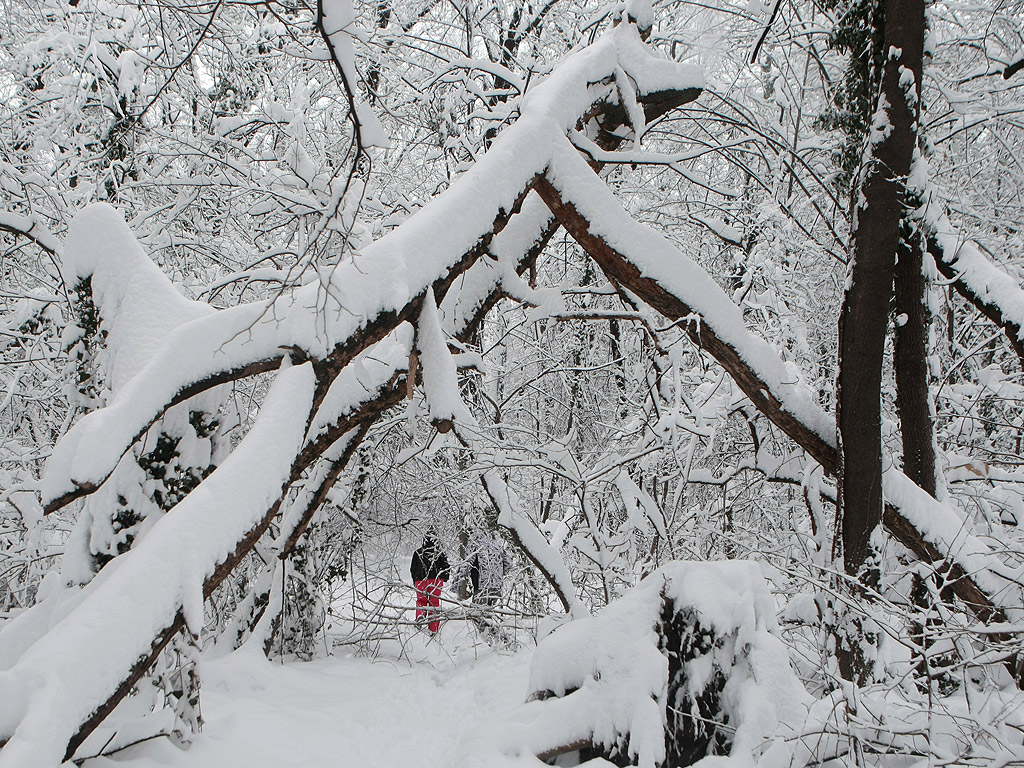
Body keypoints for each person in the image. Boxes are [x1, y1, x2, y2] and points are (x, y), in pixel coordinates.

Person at [410, 535, 450, 633]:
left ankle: (420, 615)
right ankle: (433, 629)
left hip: (420, 580)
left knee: (421, 601)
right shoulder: (439, 552)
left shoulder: (418, 552)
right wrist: (444, 578)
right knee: (434, 604)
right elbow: (446, 567)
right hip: (435, 581)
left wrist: (415, 581)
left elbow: (413, 568)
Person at [466, 531, 511, 607]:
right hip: (496, 585)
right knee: (490, 611)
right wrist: (500, 574)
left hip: (481, 585)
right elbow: (508, 563)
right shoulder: (498, 547)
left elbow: (468, 564)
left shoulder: (477, 548)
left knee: (478, 612)